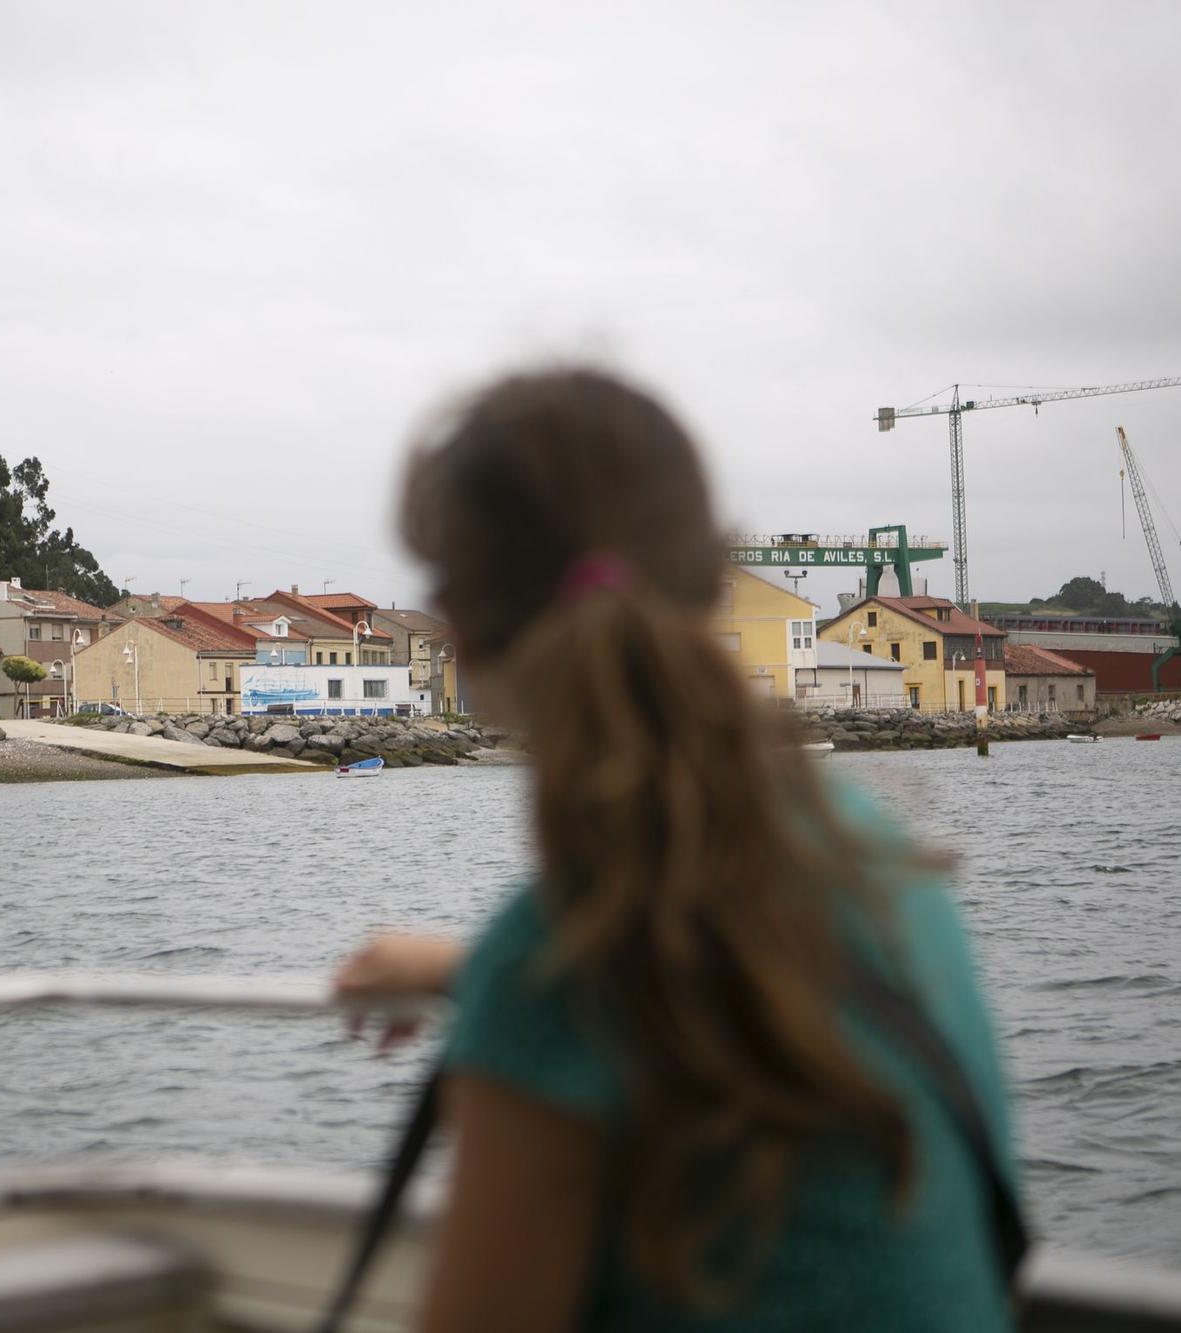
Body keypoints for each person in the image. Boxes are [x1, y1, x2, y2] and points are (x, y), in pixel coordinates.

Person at [333, 368, 1018, 1331]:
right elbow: (717, 958)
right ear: (710, 576)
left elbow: (602, 979)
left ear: (466, 641)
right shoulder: (868, 855)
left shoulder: (548, 979)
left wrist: (496, 979)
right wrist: (472, 968)